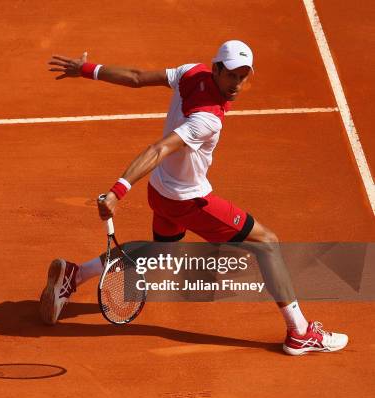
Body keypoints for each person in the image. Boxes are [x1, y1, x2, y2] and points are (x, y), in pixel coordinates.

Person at [40, 40, 348, 355]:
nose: (237, 84)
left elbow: (135, 77)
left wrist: (87, 70)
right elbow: (159, 149)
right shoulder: (207, 119)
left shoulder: (191, 72)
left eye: (244, 76)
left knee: (161, 254)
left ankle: (75, 274)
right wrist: (119, 190)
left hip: (161, 190)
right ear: (216, 69)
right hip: (189, 200)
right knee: (267, 242)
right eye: (231, 75)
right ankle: (299, 332)